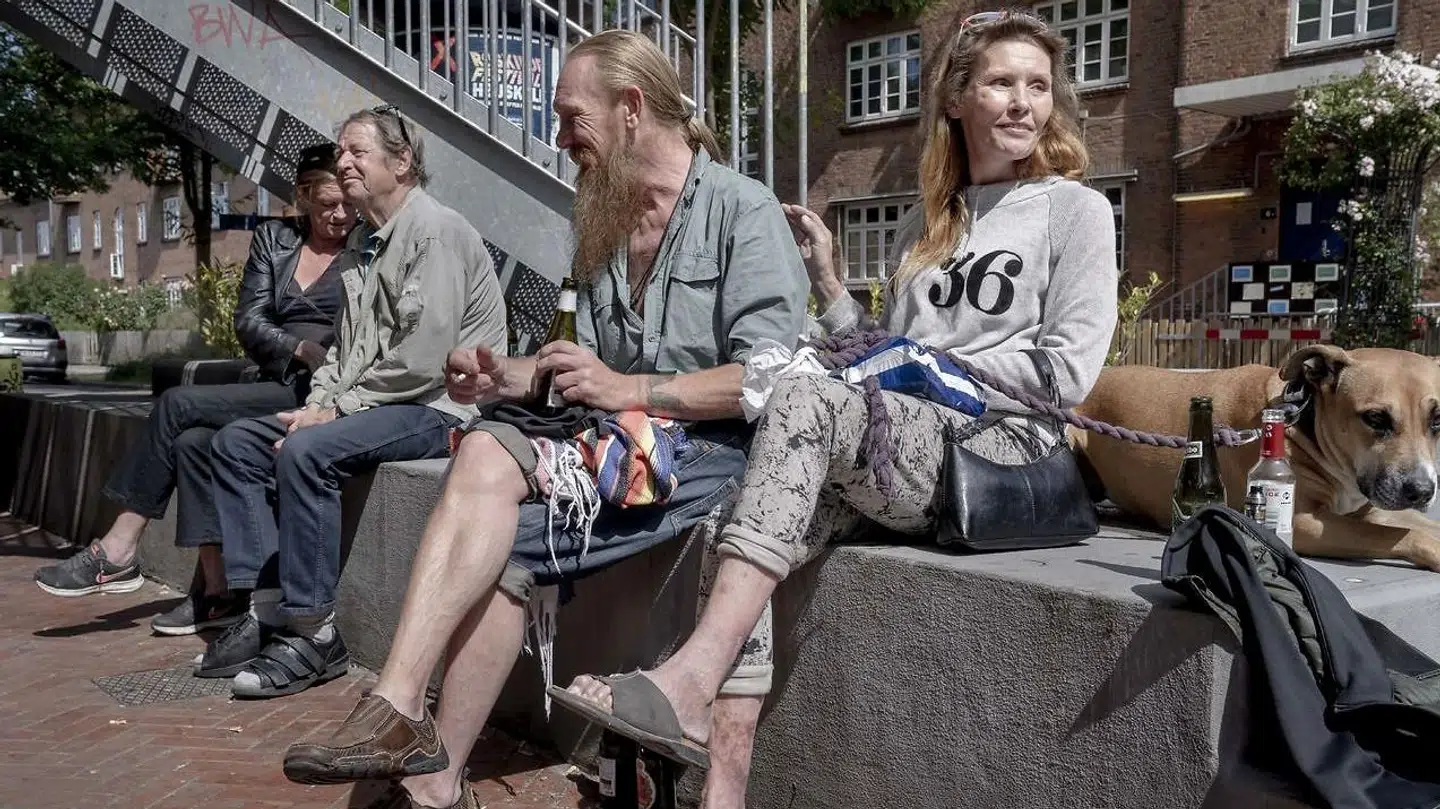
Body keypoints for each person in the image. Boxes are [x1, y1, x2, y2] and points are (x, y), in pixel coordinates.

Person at [555, 9, 1120, 806]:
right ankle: (724, 786)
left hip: (999, 456)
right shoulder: (934, 222)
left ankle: (688, 677)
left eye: (1037, 85)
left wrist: (925, 361)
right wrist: (829, 289)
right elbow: (888, 349)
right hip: (912, 452)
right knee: (739, 506)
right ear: (958, 99)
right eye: (1000, 82)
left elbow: (1065, 371)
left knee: (805, 401)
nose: (1023, 101)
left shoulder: (1076, 211)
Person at [278, 30, 809, 809]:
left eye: (569, 117)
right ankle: (409, 728)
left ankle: (424, 764)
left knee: (501, 535)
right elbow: (574, 371)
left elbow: (767, 379)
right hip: (613, 442)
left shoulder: (742, 210)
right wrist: (504, 374)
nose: (559, 139)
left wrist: (632, 387)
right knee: (489, 453)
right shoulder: (601, 221)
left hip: (703, 454)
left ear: (631, 109)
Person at [197, 105, 508, 700]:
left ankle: (315, 634)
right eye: (340, 152)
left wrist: (333, 414)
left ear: (403, 161)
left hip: (439, 409)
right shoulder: (368, 241)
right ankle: (268, 610)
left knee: (308, 452)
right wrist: (319, 400)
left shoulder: (434, 232)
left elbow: (425, 358)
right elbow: (345, 350)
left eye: (357, 152)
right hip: (383, 400)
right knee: (237, 443)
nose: (343, 162)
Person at [33, 144, 357, 638]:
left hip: (325, 393)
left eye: (347, 204)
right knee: (191, 441)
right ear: (304, 198)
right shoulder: (275, 238)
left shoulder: (366, 247)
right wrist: (296, 347)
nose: (339, 215)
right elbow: (248, 319)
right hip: (278, 379)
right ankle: (218, 590)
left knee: (177, 403)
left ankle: (118, 547)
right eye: (327, 204)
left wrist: (326, 359)